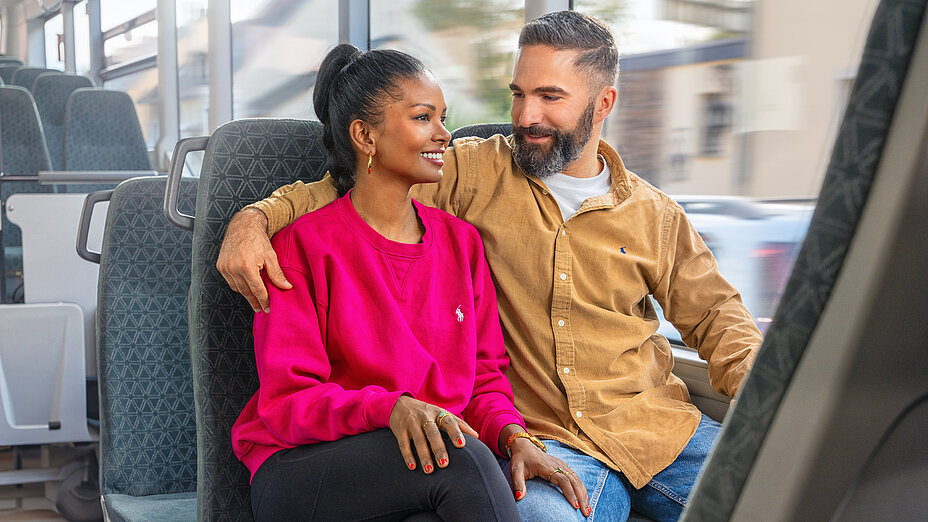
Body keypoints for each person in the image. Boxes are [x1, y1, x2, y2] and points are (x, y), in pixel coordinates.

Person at [221, 11, 760, 522]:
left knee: (788, 489)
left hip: (659, 429)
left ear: (603, 103)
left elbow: (719, 318)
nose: (527, 116)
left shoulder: (655, 214)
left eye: (550, 97)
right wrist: (253, 220)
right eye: (520, 95)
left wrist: (782, 399)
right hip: (548, 440)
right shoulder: (473, 170)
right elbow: (351, 190)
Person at [231, 43, 590, 521]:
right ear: (364, 136)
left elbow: (484, 377)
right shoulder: (301, 248)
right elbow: (288, 403)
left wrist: (515, 438)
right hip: (303, 468)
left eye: (443, 117)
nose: (444, 135)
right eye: (424, 118)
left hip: (423, 461)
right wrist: (390, 409)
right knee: (462, 460)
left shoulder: (462, 245)